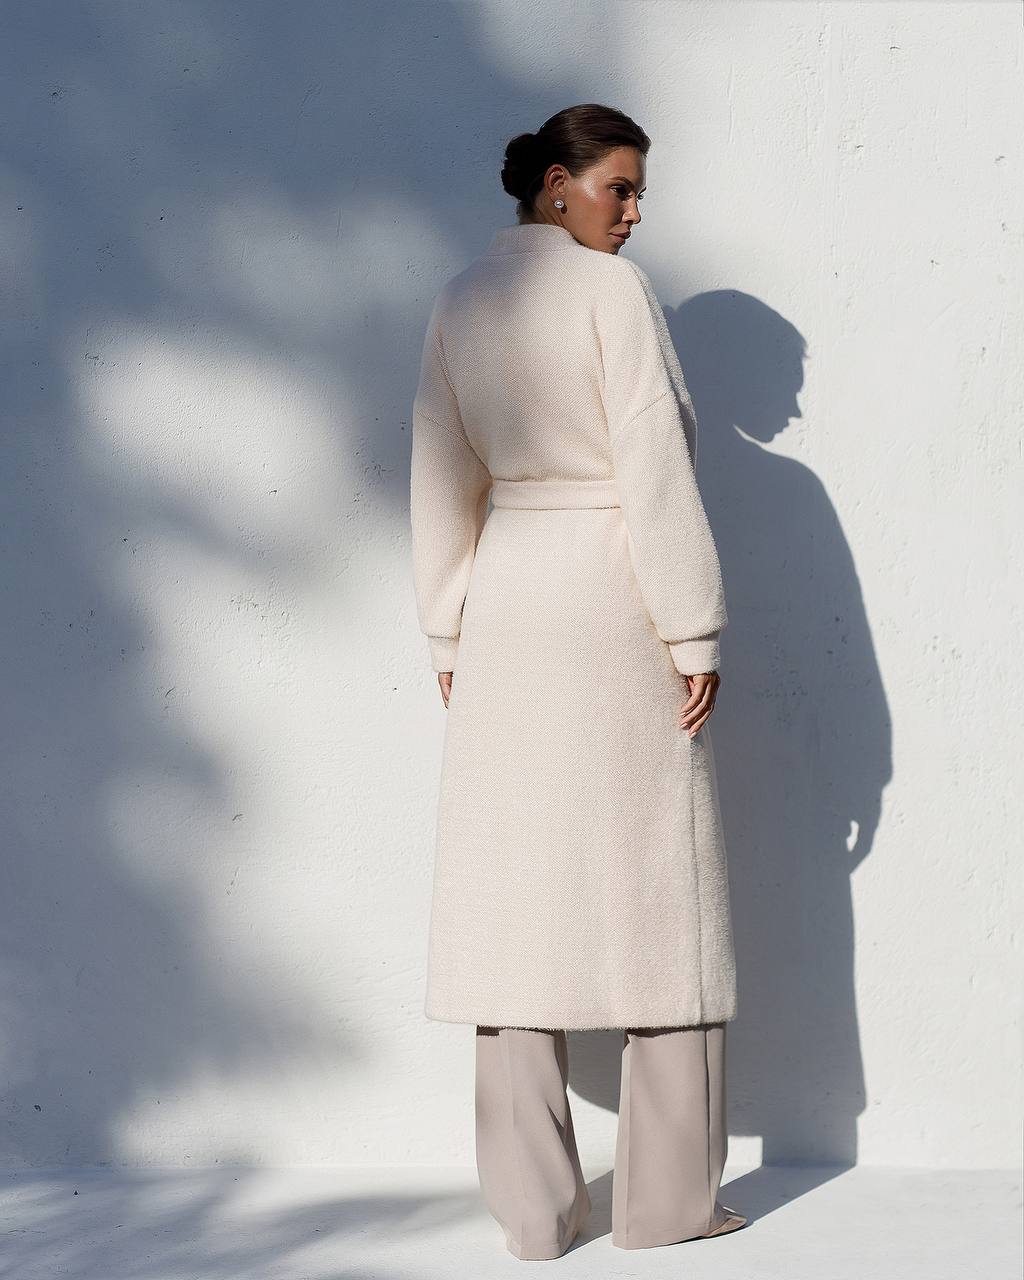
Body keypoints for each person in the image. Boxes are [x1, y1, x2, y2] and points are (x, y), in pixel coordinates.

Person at [409, 103, 746, 1259]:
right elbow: (651, 465)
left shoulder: (461, 297)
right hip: (610, 597)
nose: (635, 212)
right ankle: (664, 1205)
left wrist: (448, 626)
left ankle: (537, 1214)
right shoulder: (610, 296)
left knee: (509, 893)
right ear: (557, 185)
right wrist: (692, 627)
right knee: (661, 886)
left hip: (508, 599)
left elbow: (439, 464)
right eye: (620, 188)